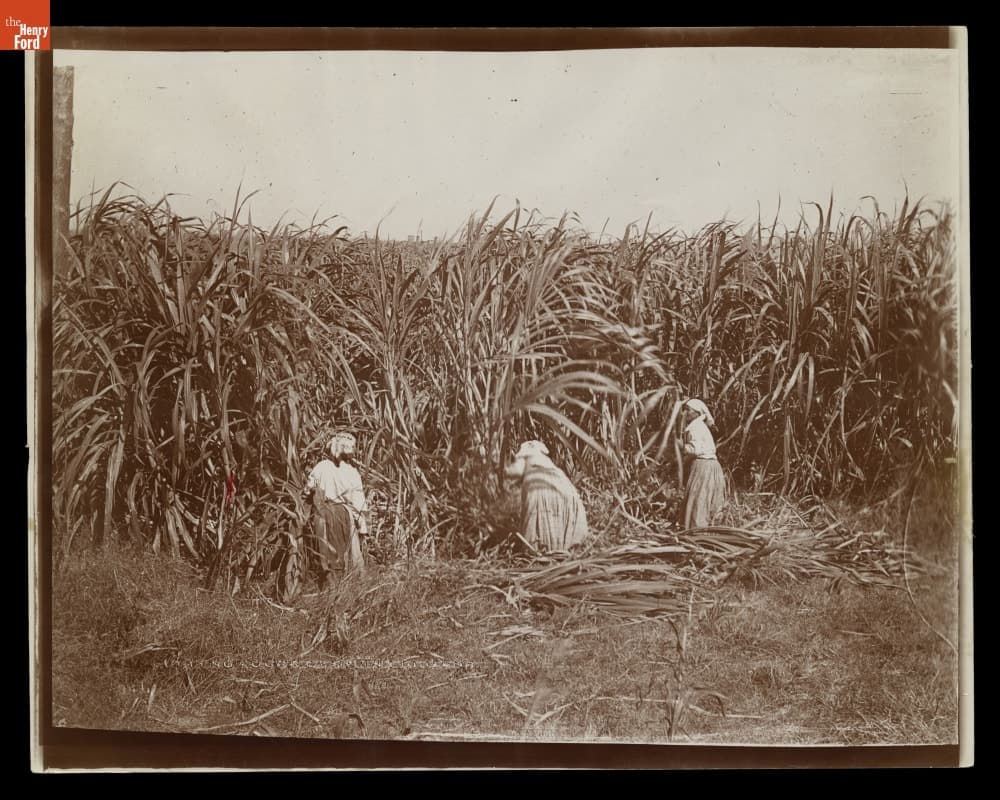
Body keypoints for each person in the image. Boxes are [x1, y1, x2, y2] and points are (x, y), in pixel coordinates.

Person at [304, 432, 367, 585]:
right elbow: (358, 503)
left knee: (326, 548)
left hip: (323, 512)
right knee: (348, 551)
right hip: (344, 513)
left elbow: (307, 490)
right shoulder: (352, 472)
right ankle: (347, 585)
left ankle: (331, 584)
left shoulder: (321, 467)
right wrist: (363, 528)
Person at [504, 440, 590, 553]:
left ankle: (538, 550)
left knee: (535, 518)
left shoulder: (527, 453)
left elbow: (516, 470)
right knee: (558, 515)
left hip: (537, 483)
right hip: (563, 485)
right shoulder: (547, 461)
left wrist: (502, 468)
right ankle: (563, 548)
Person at [679, 398, 728, 529]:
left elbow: (695, 450)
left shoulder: (695, 428)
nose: (686, 413)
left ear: (697, 413)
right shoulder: (701, 426)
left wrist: (681, 446)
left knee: (699, 498)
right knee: (709, 497)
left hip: (703, 466)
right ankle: (711, 529)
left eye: (688, 410)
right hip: (713, 465)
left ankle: (697, 529)